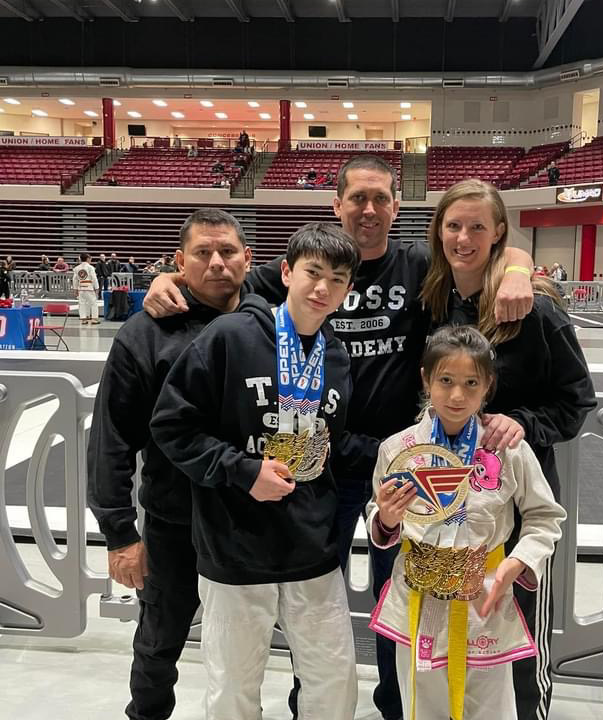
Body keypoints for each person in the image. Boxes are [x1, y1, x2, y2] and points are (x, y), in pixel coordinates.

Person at [141, 154, 536, 720]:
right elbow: (217, 275)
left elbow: (478, 246)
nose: (324, 287)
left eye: (380, 199)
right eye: (357, 198)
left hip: (382, 475)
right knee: (242, 672)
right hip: (265, 512)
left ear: (396, 207)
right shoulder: (243, 326)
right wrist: (169, 276)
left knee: (386, 606)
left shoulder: (411, 271)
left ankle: (398, 706)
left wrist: (519, 265)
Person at [150, 223, 361, 720]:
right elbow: (172, 426)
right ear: (286, 272)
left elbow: (334, 441)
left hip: (311, 545)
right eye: (312, 273)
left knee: (334, 681)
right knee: (233, 688)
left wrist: (404, 456)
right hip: (234, 543)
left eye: (337, 279)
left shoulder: (335, 355)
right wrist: (243, 472)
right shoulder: (230, 336)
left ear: (348, 290)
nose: (322, 288)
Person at [419, 179, 596, 719]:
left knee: (517, 641)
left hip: (515, 511)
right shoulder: (434, 301)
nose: (464, 237)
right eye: (454, 225)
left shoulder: (535, 310)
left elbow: (576, 402)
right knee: (453, 643)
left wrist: (521, 423)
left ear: (499, 232)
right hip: (447, 508)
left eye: (477, 226)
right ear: (439, 232)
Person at [88, 209, 253, 720]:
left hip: (254, 519)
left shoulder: (272, 322)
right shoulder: (144, 334)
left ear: (248, 259)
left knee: (258, 646)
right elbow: (112, 440)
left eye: (227, 251)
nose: (217, 262)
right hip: (174, 520)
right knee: (158, 643)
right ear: (180, 262)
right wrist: (119, 534)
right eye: (202, 253)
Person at [367, 325, 566, 720]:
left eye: (471, 383)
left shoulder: (507, 449)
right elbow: (379, 513)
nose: (457, 395)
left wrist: (519, 561)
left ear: (488, 385)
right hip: (419, 599)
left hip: (484, 600)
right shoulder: (398, 449)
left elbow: (545, 515)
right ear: (426, 379)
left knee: (492, 710)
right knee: (422, 708)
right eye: (445, 380)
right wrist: (386, 518)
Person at [73, 252, 100, 325]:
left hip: (81, 288)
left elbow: (75, 280)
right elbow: (94, 278)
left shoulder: (76, 268)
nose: (90, 260)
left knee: (82, 303)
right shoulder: (90, 267)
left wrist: (75, 290)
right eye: (90, 258)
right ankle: (94, 319)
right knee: (93, 303)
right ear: (87, 259)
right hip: (89, 287)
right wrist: (97, 288)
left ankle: (83, 319)